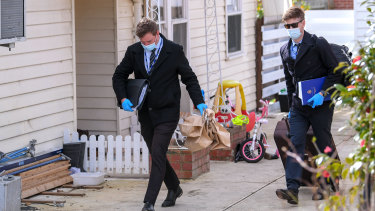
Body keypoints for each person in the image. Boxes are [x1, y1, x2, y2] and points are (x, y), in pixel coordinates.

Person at [112, 17, 207, 211]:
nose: (145, 45)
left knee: (157, 152)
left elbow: (189, 78)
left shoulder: (174, 50)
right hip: (146, 112)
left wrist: (200, 103)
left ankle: (149, 202)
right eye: (142, 42)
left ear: (157, 34)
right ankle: (174, 187)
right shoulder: (134, 51)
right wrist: (123, 98)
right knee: (158, 154)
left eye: (148, 41)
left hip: (168, 111)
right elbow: (119, 75)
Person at [276, 7, 340, 204]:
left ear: (303, 23)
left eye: (294, 25)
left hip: (320, 104)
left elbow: (335, 71)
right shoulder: (285, 49)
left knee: (323, 143)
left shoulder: (318, 43)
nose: (291, 29)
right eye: (287, 26)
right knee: (295, 144)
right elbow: (289, 80)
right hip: (298, 106)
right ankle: (292, 189)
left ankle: (330, 184)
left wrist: (323, 93)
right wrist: (290, 107)